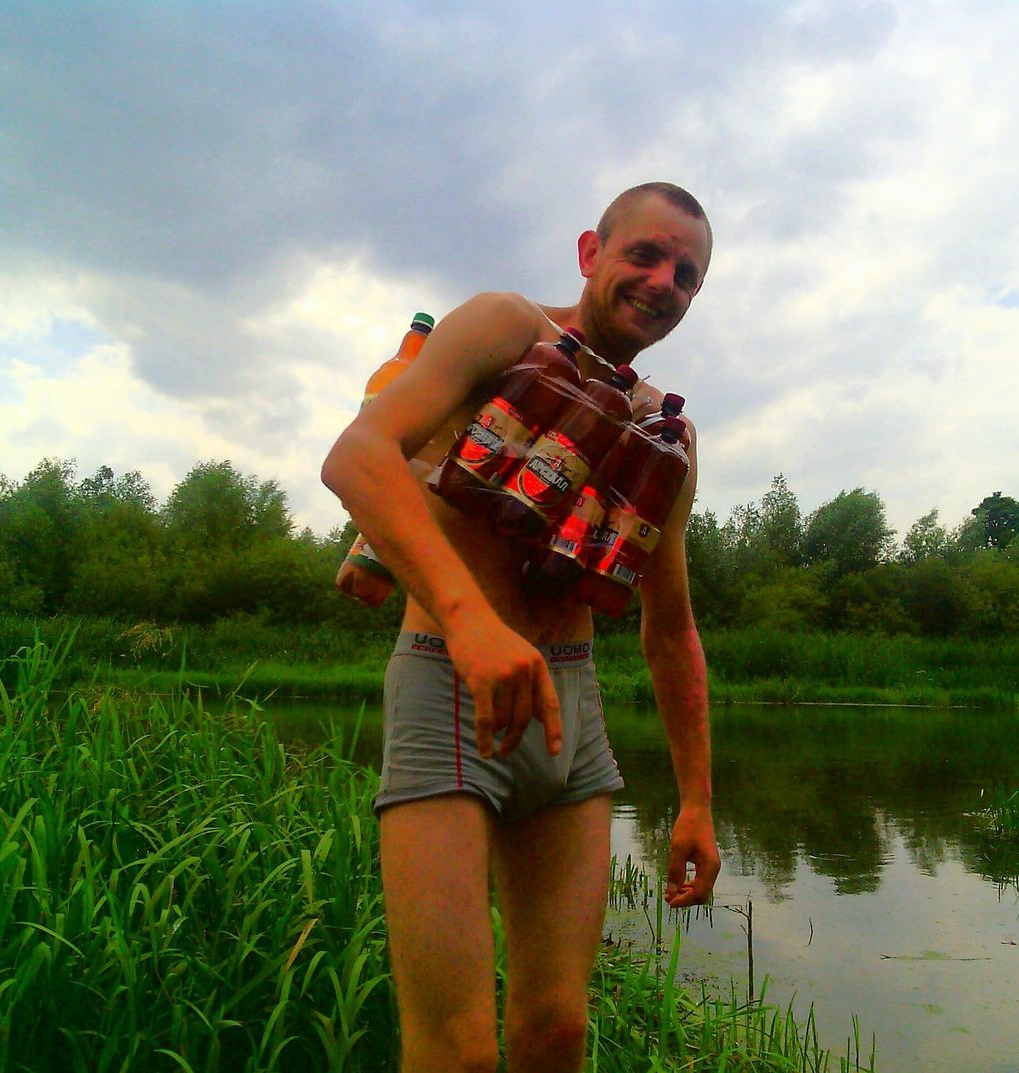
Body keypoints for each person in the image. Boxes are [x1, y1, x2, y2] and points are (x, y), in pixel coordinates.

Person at [321, 181, 720, 1073]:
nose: (664, 282)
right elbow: (357, 454)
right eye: (646, 255)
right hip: (447, 683)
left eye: (688, 274)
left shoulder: (670, 435)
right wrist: (469, 620)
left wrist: (695, 800)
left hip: (570, 720)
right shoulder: (503, 326)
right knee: (457, 1051)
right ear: (590, 252)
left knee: (557, 1033)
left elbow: (671, 632)